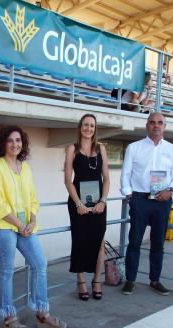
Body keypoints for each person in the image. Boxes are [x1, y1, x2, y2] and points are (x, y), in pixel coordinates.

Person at [0, 126, 67, 328]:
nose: (15, 144)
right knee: (7, 269)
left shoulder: (25, 167)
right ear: (3, 143)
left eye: (18, 140)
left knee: (40, 263)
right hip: (3, 225)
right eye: (10, 140)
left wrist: (32, 219)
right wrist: (19, 225)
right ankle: (9, 317)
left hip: (25, 225)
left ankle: (42, 312)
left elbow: (32, 198)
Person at [120, 112, 173, 296]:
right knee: (134, 242)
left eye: (160, 123)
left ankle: (154, 280)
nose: (156, 126)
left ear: (164, 126)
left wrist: (171, 191)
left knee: (158, 243)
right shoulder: (134, 147)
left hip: (162, 202)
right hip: (139, 200)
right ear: (147, 125)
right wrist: (129, 195)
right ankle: (130, 280)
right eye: (152, 123)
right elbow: (126, 174)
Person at [64, 114, 110, 300]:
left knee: (99, 243)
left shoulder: (101, 149)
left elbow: (106, 178)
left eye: (92, 125)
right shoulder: (72, 149)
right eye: (85, 125)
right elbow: (68, 180)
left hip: (99, 204)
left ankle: (97, 280)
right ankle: (81, 280)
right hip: (78, 204)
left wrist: (103, 201)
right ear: (80, 127)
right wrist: (78, 203)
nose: (88, 128)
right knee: (80, 242)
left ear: (95, 128)